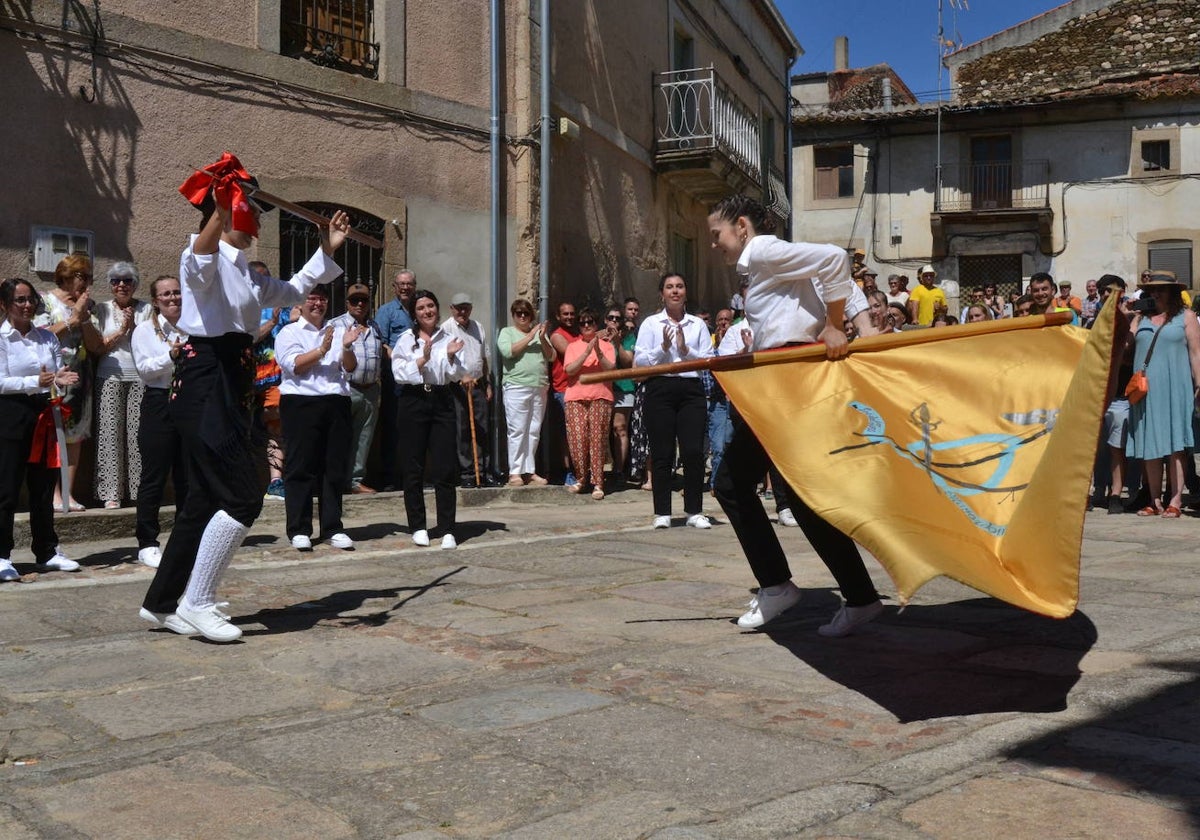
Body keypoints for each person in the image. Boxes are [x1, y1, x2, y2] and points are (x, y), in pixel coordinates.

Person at [139, 164, 350, 643]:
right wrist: (219, 205)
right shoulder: (201, 262)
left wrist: (327, 247)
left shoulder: (249, 276)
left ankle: (161, 603)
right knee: (241, 496)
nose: (255, 215)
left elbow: (295, 290)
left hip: (231, 383)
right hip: (204, 381)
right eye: (248, 207)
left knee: (202, 502)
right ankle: (198, 601)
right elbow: (202, 250)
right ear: (225, 213)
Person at [707, 194, 884, 636]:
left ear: (741, 226)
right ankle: (851, 595)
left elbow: (834, 259)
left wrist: (833, 324)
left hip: (789, 379)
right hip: (779, 376)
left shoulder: (764, 250)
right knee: (788, 495)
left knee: (734, 483)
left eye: (717, 234)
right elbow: (811, 291)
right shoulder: (763, 263)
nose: (715, 244)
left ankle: (784, 587)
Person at [0, 278, 82, 580]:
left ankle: (46, 551)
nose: (26, 305)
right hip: (11, 413)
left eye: (30, 299)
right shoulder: (2, 338)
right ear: (5, 305)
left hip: (44, 412)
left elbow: (56, 368)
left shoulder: (46, 337)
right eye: (19, 300)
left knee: (44, 486)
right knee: (6, 487)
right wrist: (35, 381)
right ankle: (1, 554)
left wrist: (60, 377)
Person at [276, 284, 361, 551]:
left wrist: (346, 347)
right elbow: (295, 365)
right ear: (301, 303)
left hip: (335, 401)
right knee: (301, 466)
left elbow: (349, 366)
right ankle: (299, 528)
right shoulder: (289, 332)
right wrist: (322, 350)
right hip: (301, 402)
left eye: (322, 299)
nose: (317, 303)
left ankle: (332, 527)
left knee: (334, 467)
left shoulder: (336, 331)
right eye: (311, 298)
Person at [633, 272, 713, 529]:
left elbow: (707, 361)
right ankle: (662, 512)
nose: (675, 291)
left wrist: (685, 349)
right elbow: (640, 363)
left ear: (686, 292)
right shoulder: (650, 324)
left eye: (679, 286)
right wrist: (663, 349)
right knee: (662, 452)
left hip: (690, 388)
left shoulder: (697, 325)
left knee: (692, 451)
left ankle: (694, 510)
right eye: (670, 287)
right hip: (660, 387)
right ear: (662, 293)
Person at [394, 289, 465, 549]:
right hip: (413, 400)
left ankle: (447, 528)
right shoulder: (405, 339)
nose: (427, 311)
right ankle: (418, 526)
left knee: (444, 465)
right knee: (413, 466)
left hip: (441, 399)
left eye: (431, 306)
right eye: (421, 307)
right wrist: (422, 359)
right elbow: (398, 372)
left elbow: (457, 373)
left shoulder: (449, 337)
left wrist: (449, 356)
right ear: (414, 313)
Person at [1126, 271, 1200, 518]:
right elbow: (1127, 345)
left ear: (1173, 292)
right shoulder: (1141, 318)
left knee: (1177, 444)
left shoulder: (1186, 317)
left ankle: (1176, 500)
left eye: (1161, 289)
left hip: (1176, 386)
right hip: (1146, 390)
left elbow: (1196, 353)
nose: (1156, 293)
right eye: (1152, 290)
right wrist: (1131, 318)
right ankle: (1154, 499)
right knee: (1150, 443)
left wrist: (1199, 383)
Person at [34, 254, 102, 511]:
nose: (85, 283)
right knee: (53, 435)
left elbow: (96, 345)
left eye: (88, 278)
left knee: (76, 438)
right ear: (65, 275)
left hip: (81, 380)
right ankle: (52, 494)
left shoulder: (89, 305)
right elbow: (39, 336)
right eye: (81, 276)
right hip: (53, 377)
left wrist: (83, 317)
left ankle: (67, 494)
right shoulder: (44, 301)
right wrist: (72, 319)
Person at [131, 275, 189, 568]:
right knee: (154, 474)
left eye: (177, 292)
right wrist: (171, 355)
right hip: (159, 401)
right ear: (155, 300)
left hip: (190, 402)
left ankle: (184, 538)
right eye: (166, 294)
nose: (173, 298)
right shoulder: (145, 330)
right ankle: (147, 541)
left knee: (187, 474)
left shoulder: (194, 325)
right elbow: (145, 370)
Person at [92, 261, 151, 509]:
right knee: (109, 435)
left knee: (138, 435)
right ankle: (110, 493)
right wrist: (122, 329)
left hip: (139, 376)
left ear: (135, 284)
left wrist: (134, 327)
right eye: (116, 281)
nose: (122, 285)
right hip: (109, 375)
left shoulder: (146, 309)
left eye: (127, 280)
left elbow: (149, 340)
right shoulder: (102, 309)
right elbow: (98, 346)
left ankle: (139, 491)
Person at [329, 283, 384, 495]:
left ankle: (354, 480)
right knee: (339, 436)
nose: (360, 304)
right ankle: (333, 479)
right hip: (346, 387)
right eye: (355, 300)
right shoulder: (336, 325)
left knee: (364, 437)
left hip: (370, 389)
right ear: (347, 303)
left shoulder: (375, 326)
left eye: (364, 300)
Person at [497, 297, 553, 486]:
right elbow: (508, 352)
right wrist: (530, 337)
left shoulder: (538, 334)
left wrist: (542, 337)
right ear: (513, 316)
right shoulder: (507, 332)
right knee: (517, 429)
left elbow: (551, 355)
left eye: (526, 313)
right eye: (518, 313)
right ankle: (515, 472)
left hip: (538, 385)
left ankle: (529, 470)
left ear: (531, 316)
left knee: (534, 430)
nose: (522, 316)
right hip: (516, 385)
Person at [563, 307, 616, 499]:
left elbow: (610, 369)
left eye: (590, 322)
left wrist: (598, 351)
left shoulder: (608, 346)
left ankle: (598, 482)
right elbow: (569, 370)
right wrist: (586, 352)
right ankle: (581, 479)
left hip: (600, 395)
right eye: (583, 323)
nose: (586, 326)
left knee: (597, 440)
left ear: (596, 324)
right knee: (577, 440)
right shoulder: (572, 346)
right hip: (575, 397)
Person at [442, 293, 494, 487]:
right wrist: (461, 377)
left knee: (482, 428)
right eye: (458, 308)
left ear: (470, 308)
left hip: (478, 384)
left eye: (466, 307)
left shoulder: (477, 327)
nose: (462, 311)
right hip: (457, 386)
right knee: (463, 429)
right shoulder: (446, 328)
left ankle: (483, 470)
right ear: (452, 308)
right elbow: (445, 360)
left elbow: (484, 358)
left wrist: (487, 382)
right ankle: (467, 473)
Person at [249, 261, 290, 501]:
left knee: (275, 429)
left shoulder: (279, 305)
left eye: (265, 278)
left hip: (274, 379)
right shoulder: (240, 306)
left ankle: (276, 481)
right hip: (244, 380)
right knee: (242, 432)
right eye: (256, 278)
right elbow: (249, 338)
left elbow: (298, 315)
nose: (260, 283)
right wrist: (272, 323)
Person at [375, 269, 417, 490]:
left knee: (413, 428)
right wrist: (396, 357)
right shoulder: (387, 311)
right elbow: (379, 341)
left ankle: (411, 476)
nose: (405, 287)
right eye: (401, 283)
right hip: (395, 379)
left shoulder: (419, 309)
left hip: (417, 378)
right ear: (394, 286)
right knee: (393, 426)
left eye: (409, 283)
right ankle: (390, 477)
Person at [548, 301, 581, 485]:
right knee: (567, 436)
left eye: (571, 313)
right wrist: (593, 340)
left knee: (579, 434)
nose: (569, 317)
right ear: (558, 317)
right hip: (563, 390)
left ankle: (580, 470)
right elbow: (570, 352)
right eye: (565, 314)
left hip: (579, 389)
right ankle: (568, 471)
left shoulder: (578, 334)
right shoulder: (557, 336)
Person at [606, 306, 635, 483]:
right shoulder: (599, 337)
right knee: (603, 430)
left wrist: (617, 342)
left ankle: (618, 470)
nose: (614, 321)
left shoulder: (628, 337)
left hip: (624, 388)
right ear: (605, 319)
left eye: (618, 318)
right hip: (603, 388)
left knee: (620, 428)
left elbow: (628, 362)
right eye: (611, 318)